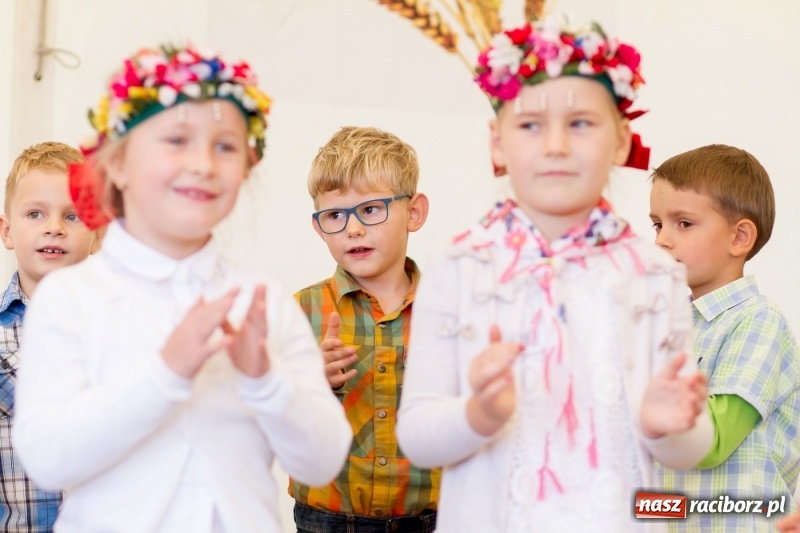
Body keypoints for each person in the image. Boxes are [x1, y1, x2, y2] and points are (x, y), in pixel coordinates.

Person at [11, 43, 350, 533]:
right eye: (176, 140)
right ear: (118, 165)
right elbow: (48, 459)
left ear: (247, 169)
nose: (203, 164)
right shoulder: (71, 298)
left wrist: (266, 381)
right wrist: (166, 371)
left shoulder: (264, 301)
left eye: (225, 146)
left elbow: (322, 462)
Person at [395, 15, 713, 532]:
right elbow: (417, 434)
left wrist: (664, 428)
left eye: (581, 123)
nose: (557, 145)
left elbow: (690, 446)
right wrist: (479, 414)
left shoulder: (655, 274)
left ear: (620, 140)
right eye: (530, 125)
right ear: (497, 143)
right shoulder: (460, 262)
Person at [290, 126, 438, 533]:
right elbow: (266, 414)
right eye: (335, 215)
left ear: (414, 212)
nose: (352, 228)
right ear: (319, 227)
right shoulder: (298, 312)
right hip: (326, 520)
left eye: (370, 210)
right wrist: (303, 381)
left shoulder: (450, 312)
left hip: (432, 520)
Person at [650, 144, 800, 531]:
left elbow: (714, 439)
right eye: (657, 224)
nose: (662, 240)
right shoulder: (667, 327)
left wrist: (645, 409)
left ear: (739, 238)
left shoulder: (757, 321)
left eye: (683, 223)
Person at [0, 141, 98, 532]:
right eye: (35, 213)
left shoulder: (119, 327)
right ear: (7, 231)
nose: (54, 227)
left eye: (72, 215)